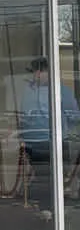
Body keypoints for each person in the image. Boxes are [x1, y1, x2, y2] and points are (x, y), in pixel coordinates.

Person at [17, 57, 79, 221]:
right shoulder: (28, 91)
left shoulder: (61, 90)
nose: (36, 75)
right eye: (34, 72)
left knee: (57, 175)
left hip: (56, 140)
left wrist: (63, 129)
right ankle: (47, 209)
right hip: (35, 142)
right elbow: (23, 116)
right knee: (44, 175)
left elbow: (73, 115)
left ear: (47, 72)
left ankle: (55, 208)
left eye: (39, 71)